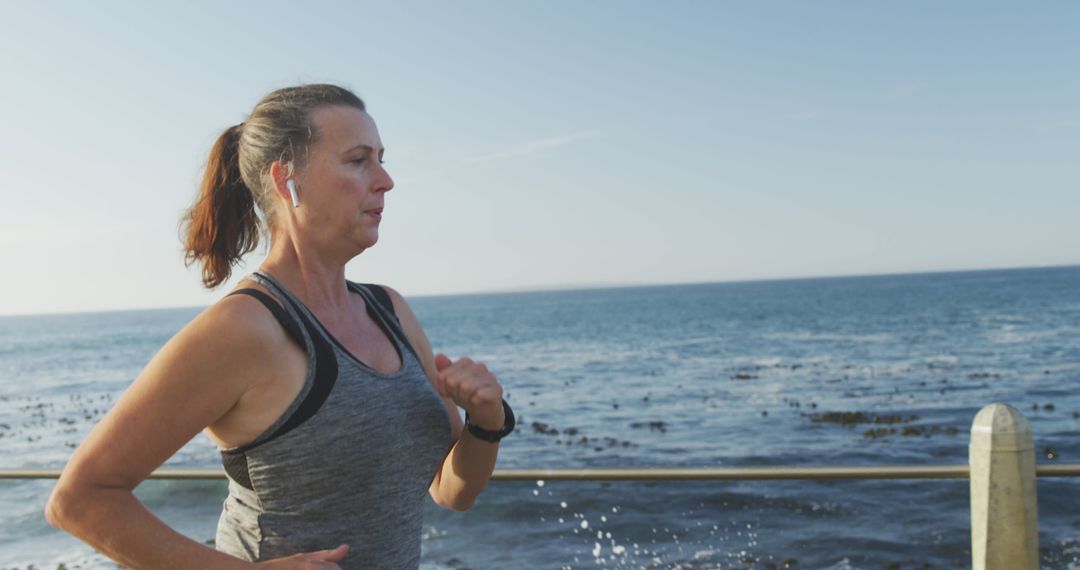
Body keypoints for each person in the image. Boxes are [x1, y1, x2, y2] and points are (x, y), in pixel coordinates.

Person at [45, 83, 514, 569]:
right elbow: (79, 500)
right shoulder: (245, 328)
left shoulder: (390, 310)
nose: (385, 180)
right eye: (358, 160)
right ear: (287, 180)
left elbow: (449, 490)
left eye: (381, 158)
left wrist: (487, 423)